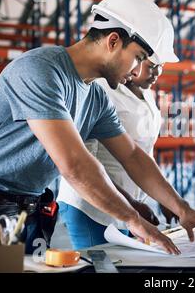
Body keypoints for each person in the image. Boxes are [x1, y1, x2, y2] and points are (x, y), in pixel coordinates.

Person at [0, 0, 195, 261]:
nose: (138, 69)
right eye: (138, 57)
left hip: (28, 211)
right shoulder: (40, 71)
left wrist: (182, 207)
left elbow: (133, 156)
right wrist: (132, 218)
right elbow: (74, 165)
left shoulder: (95, 96)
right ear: (113, 41)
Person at [57, 56, 177, 249]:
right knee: (102, 266)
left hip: (129, 206)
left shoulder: (146, 93)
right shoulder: (101, 89)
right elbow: (85, 161)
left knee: (124, 265)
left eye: (161, 66)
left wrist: (164, 198)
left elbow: (145, 153)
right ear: (135, 57)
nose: (157, 73)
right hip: (93, 204)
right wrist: (131, 205)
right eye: (152, 66)